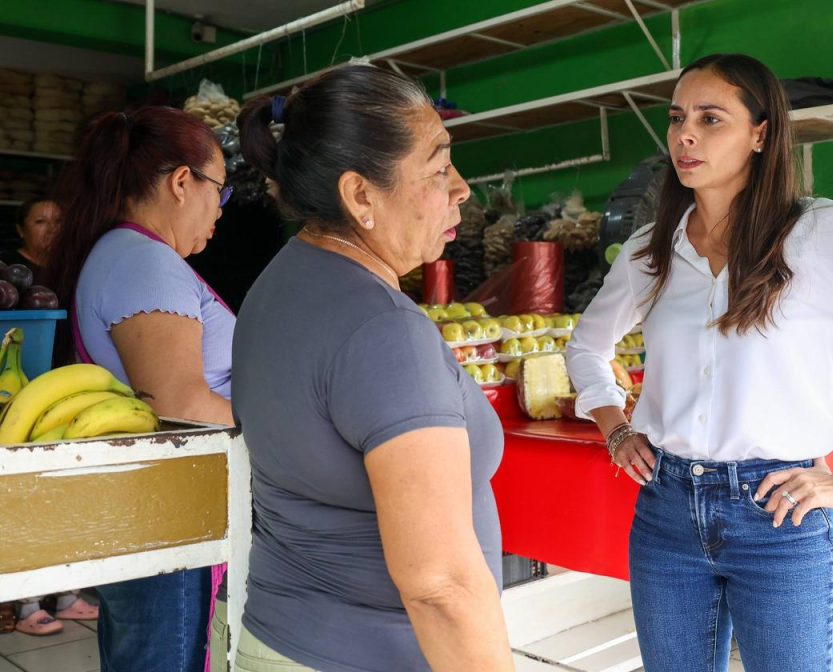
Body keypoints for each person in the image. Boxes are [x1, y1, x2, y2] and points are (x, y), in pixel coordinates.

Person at [565, 53, 833, 672]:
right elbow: (586, 345)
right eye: (676, 119)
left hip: (781, 516)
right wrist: (613, 428)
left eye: (710, 118)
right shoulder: (651, 249)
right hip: (668, 512)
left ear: (760, 133)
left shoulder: (827, 236)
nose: (685, 136)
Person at [232, 63, 512, 672]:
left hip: (278, 641)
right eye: (438, 170)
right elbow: (440, 585)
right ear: (361, 195)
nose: (462, 188)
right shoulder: (383, 331)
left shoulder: (278, 285)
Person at [49, 106, 235, 671]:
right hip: (167, 516)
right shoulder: (144, 264)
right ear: (184, 182)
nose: (219, 213)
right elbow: (180, 406)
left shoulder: (128, 254)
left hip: (152, 514)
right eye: (220, 193)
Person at [3, 197, 59, 278]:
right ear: (21, 230)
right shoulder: (6, 267)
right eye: (40, 221)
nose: (53, 229)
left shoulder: (72, 266)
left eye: (58, 221)